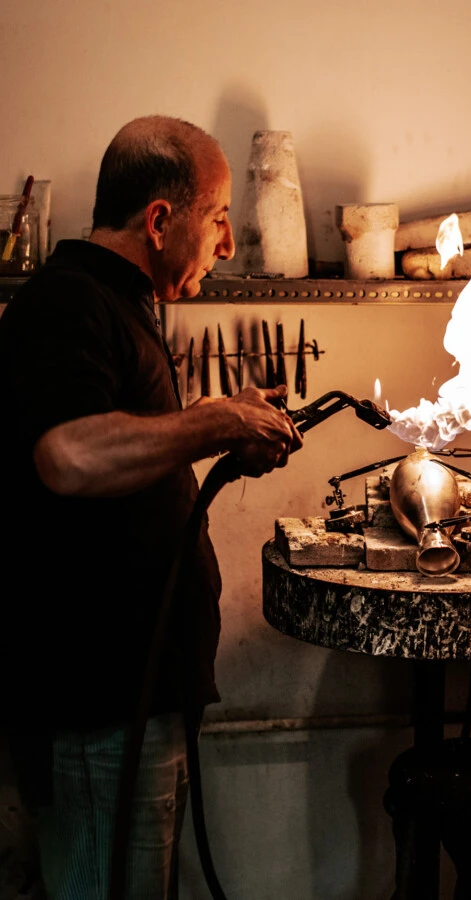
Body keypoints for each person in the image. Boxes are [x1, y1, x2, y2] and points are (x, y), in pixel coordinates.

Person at [0, 115, 302, 899]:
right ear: (162, 218)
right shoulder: (67, 302)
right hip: (97, 708)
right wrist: (213, 419)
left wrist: (218, 445)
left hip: (132, 699)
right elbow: (68, 457)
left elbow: (123, 467)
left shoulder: (118, 305)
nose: (228, 245)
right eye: (219, 218)